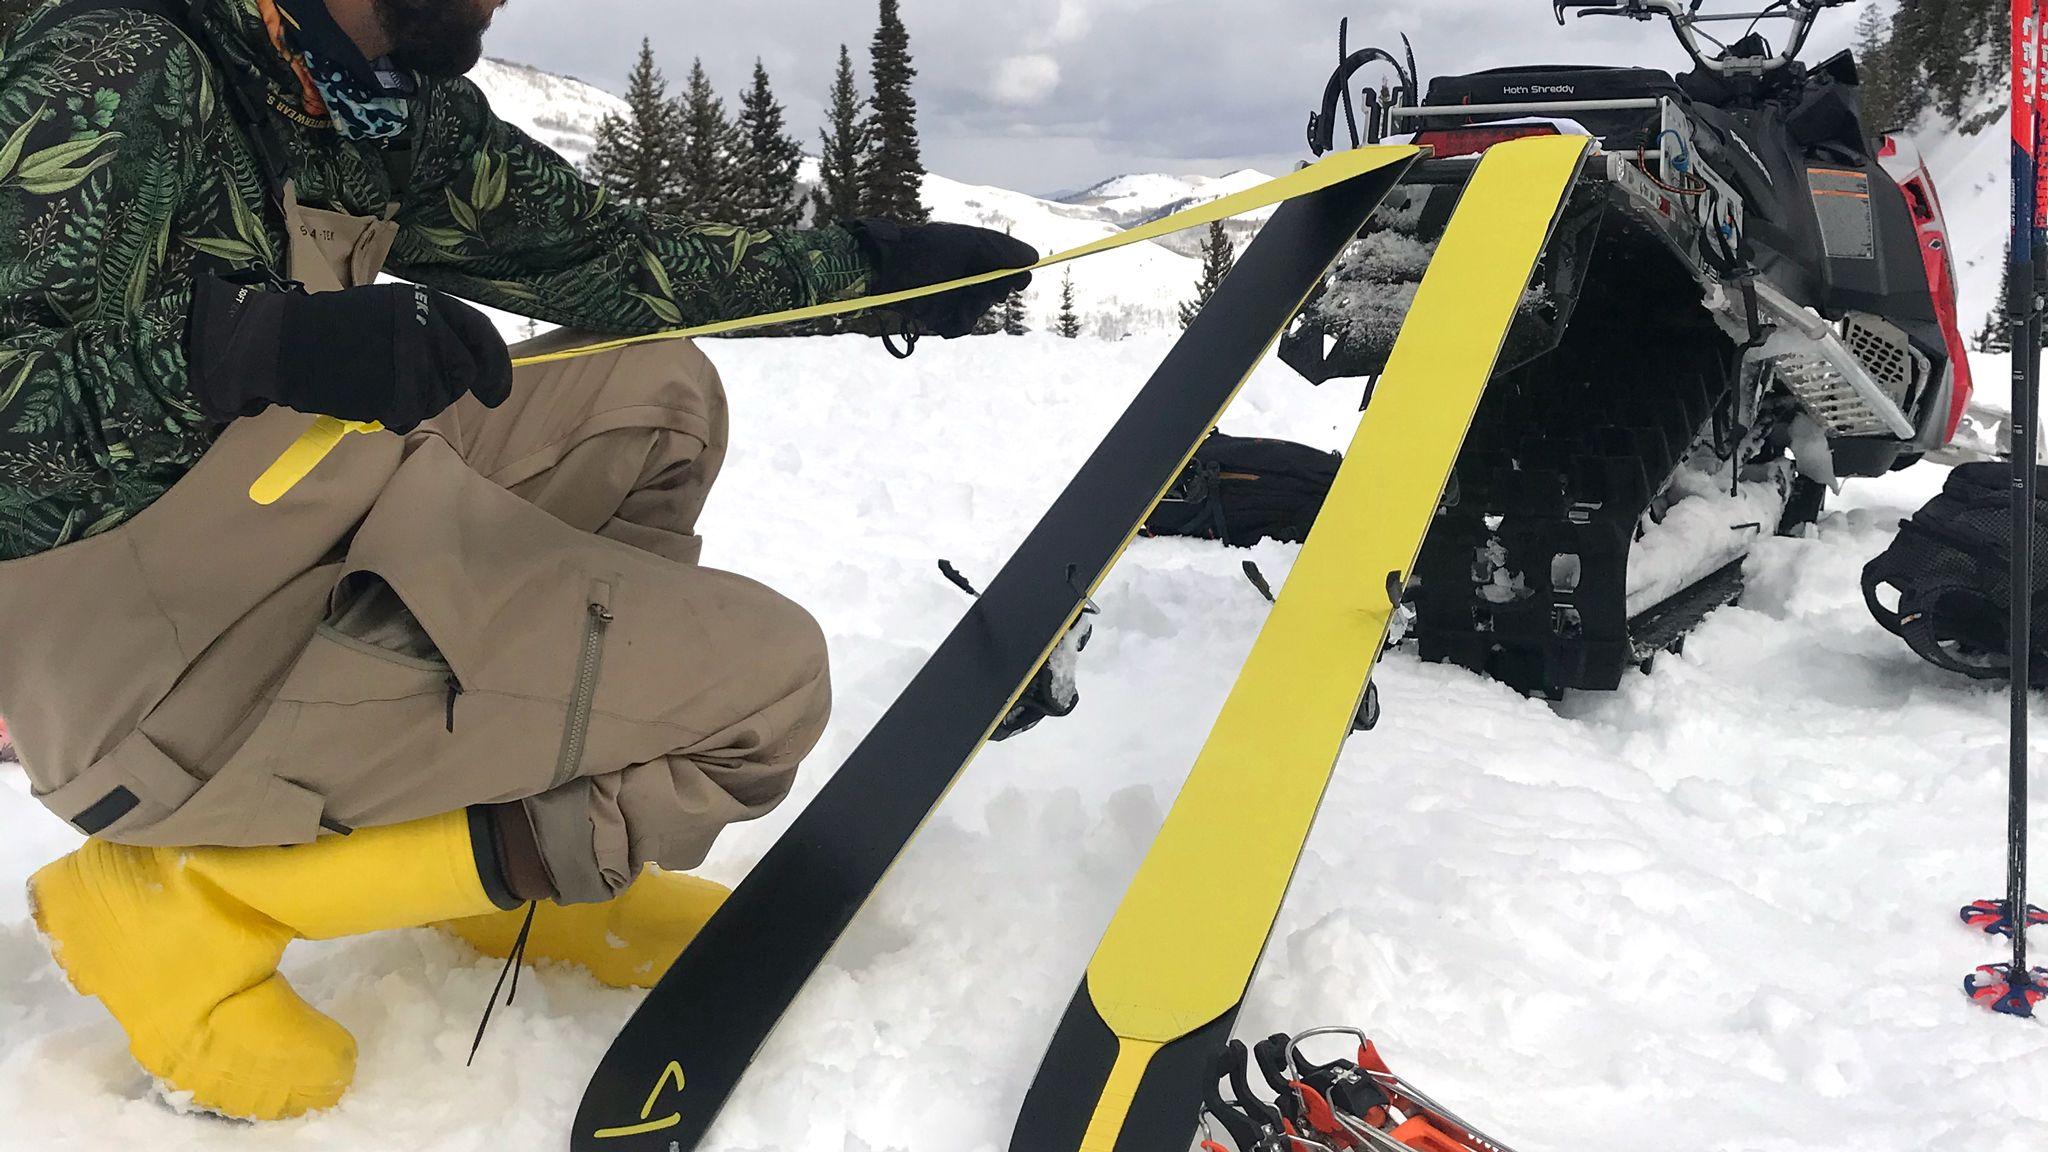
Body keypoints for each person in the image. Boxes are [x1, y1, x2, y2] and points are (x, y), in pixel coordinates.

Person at [0, 0, 1034, 1121]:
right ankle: (192, 902)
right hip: (133, 658)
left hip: (282, 526)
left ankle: (499, 848)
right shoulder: (123, 63)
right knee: (765, 691)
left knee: (653, 394)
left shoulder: (369, 100)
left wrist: (868, 268)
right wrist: (253, 346)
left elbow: (616, 261)